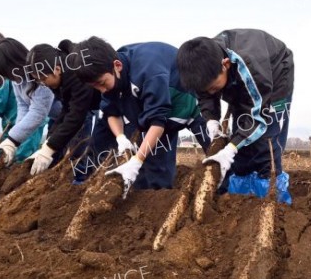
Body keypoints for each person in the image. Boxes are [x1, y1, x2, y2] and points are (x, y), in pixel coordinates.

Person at [68, 36, 209, 190]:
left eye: (102, 83)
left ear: (117, 66)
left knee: (216, 153)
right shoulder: (111, 74)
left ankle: (229, 198)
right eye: (95, 86)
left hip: (190, 103)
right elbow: (111, 112)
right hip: (156, 113)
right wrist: (120, 137)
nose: (102, 90)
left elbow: (157, 122)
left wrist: (137, 160)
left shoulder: (148, 70)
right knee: (149, 175)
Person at [176, 28, 294, 204]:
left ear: (225, 64)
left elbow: (258, 116)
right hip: (240, 79)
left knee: (266, 138)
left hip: (275, 76)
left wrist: (230, 149)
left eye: (214, 87)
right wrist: (211, 119)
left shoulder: (250, 66)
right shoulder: (203, 67)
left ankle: (273, 200)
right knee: (242, 138)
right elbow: (206, 94)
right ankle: (241, 201)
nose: (210, 92)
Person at [24, 40, 101, 181]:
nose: (43, 84)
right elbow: (66, 109)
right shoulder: (62, 77)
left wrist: (49, 148)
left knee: (92, 143)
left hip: (105, 102)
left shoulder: (77, 73)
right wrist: (48, 142)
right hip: (86, 106)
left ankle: (81, 179)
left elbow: (76, 116)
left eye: (43, 79)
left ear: (56, 70)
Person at [0, 38, 56, 167]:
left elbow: (38, 112)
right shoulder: (17, 79)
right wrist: (15, 139)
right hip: (56, 118)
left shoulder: (40, 73)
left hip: (72, 116)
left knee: (70, 155)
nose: (9, 78)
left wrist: (12, 140)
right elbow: (23, 106)